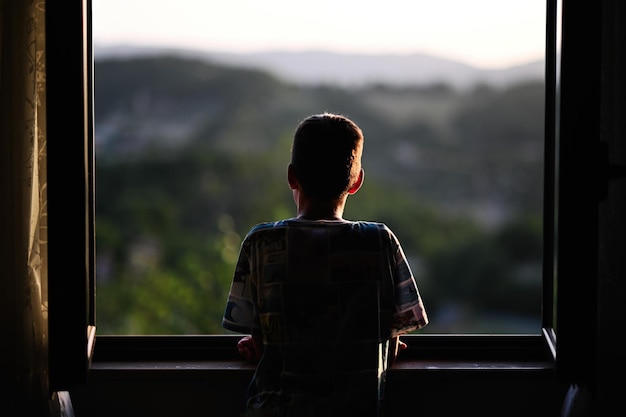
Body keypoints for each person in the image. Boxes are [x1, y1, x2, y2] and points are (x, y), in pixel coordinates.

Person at [222, 112, 428, 417]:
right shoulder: (380, 242)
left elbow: (262, 339)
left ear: (292, 176)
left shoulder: (261, 243)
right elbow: (391, 340)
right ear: (356, 182)